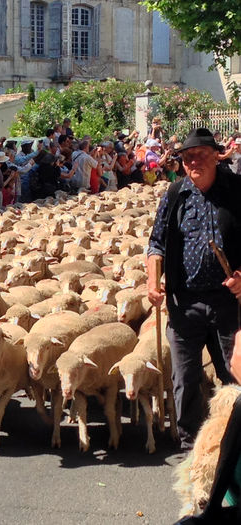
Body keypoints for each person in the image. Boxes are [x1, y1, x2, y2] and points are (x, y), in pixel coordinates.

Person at [147, 128, 241, 451]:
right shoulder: (174, 195)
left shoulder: (237, 192)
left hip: (228, 303)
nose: (193, 163)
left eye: (200, 155)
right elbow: (156, 243)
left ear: (216, 156)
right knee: (185, 380)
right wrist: (152, 280)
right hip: (184, 303)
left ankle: (233, 444)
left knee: (235, 376)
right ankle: (191, 449)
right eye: (187, 158)